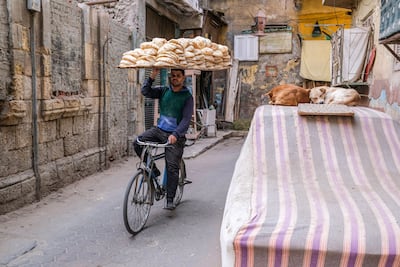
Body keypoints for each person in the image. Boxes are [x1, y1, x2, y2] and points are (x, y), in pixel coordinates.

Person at [133, 68, 194, 210]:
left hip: (175, 136)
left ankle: (170, 198)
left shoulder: (187, 97)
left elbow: (185, 120)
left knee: (172, 166)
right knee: (137, 142)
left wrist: (176, 134)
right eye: (173, 76)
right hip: (159, 131)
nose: (175, 78)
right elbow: (146, 91)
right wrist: (152, 75)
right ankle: (153, 170)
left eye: (178, 76)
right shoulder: (164, 91)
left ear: (183, 78)